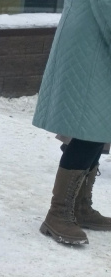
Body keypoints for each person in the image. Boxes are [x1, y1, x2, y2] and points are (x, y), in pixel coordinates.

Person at [34, 0, 111, 245]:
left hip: (93, 41)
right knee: (89, 129)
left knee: (97, 126)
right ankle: (58, 213)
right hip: (91, 47)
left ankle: (79, 206)